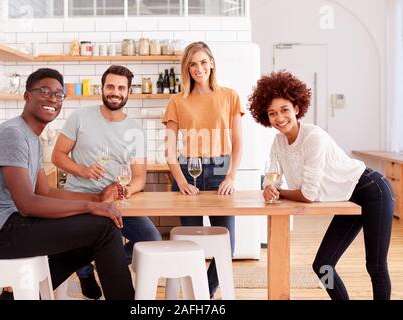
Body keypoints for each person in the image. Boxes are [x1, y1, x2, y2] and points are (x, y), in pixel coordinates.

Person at [0, 68, 134, 300]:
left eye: (58, 95)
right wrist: (90, 207)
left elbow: (44, 191)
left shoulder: (30, 138)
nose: (52, 99)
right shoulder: (13, 134)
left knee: (92, 237)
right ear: (27, 96)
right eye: (44, 91)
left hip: (10, 224)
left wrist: (96, 199)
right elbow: (28, 204)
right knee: (104, 228)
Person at [249, 70, 394, 300]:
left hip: (372, 189)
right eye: (272, 113)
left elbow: (308, 194)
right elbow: (272, 175)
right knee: (323, 265)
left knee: (375, 265)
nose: (279, 118)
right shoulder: (278, 142)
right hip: (347, 196)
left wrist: (280, 193)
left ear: (297, 108)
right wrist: (269, 187)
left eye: (284, 109)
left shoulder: (313, 136)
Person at [52, 65, 161, 300]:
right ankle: (84, 271)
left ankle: (101, 262)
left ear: (129, 92)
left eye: (121, 88)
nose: (115, 92)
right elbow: (57, 156)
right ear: (102, 88)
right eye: (110, 86)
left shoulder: (135, 130)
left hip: (114, 201)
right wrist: (83, 170)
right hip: (78, 198)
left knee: (152, 239)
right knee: (73, 241)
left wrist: (125, 189)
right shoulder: (80, 117)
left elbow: (139, 178)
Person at [162, 41, 243, 298]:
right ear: (187, 69)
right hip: (189, 171)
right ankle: (198, 293)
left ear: (212, 63)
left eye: (203, 62)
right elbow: (169, 148)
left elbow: (238, 142)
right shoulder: (178, 100)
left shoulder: (229, 96)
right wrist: (181, 181)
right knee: (191, 244)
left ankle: (203, 294)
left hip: (221, 170)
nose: (199, 68)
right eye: (193, 64)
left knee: (226, 245)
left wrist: (231, 175)